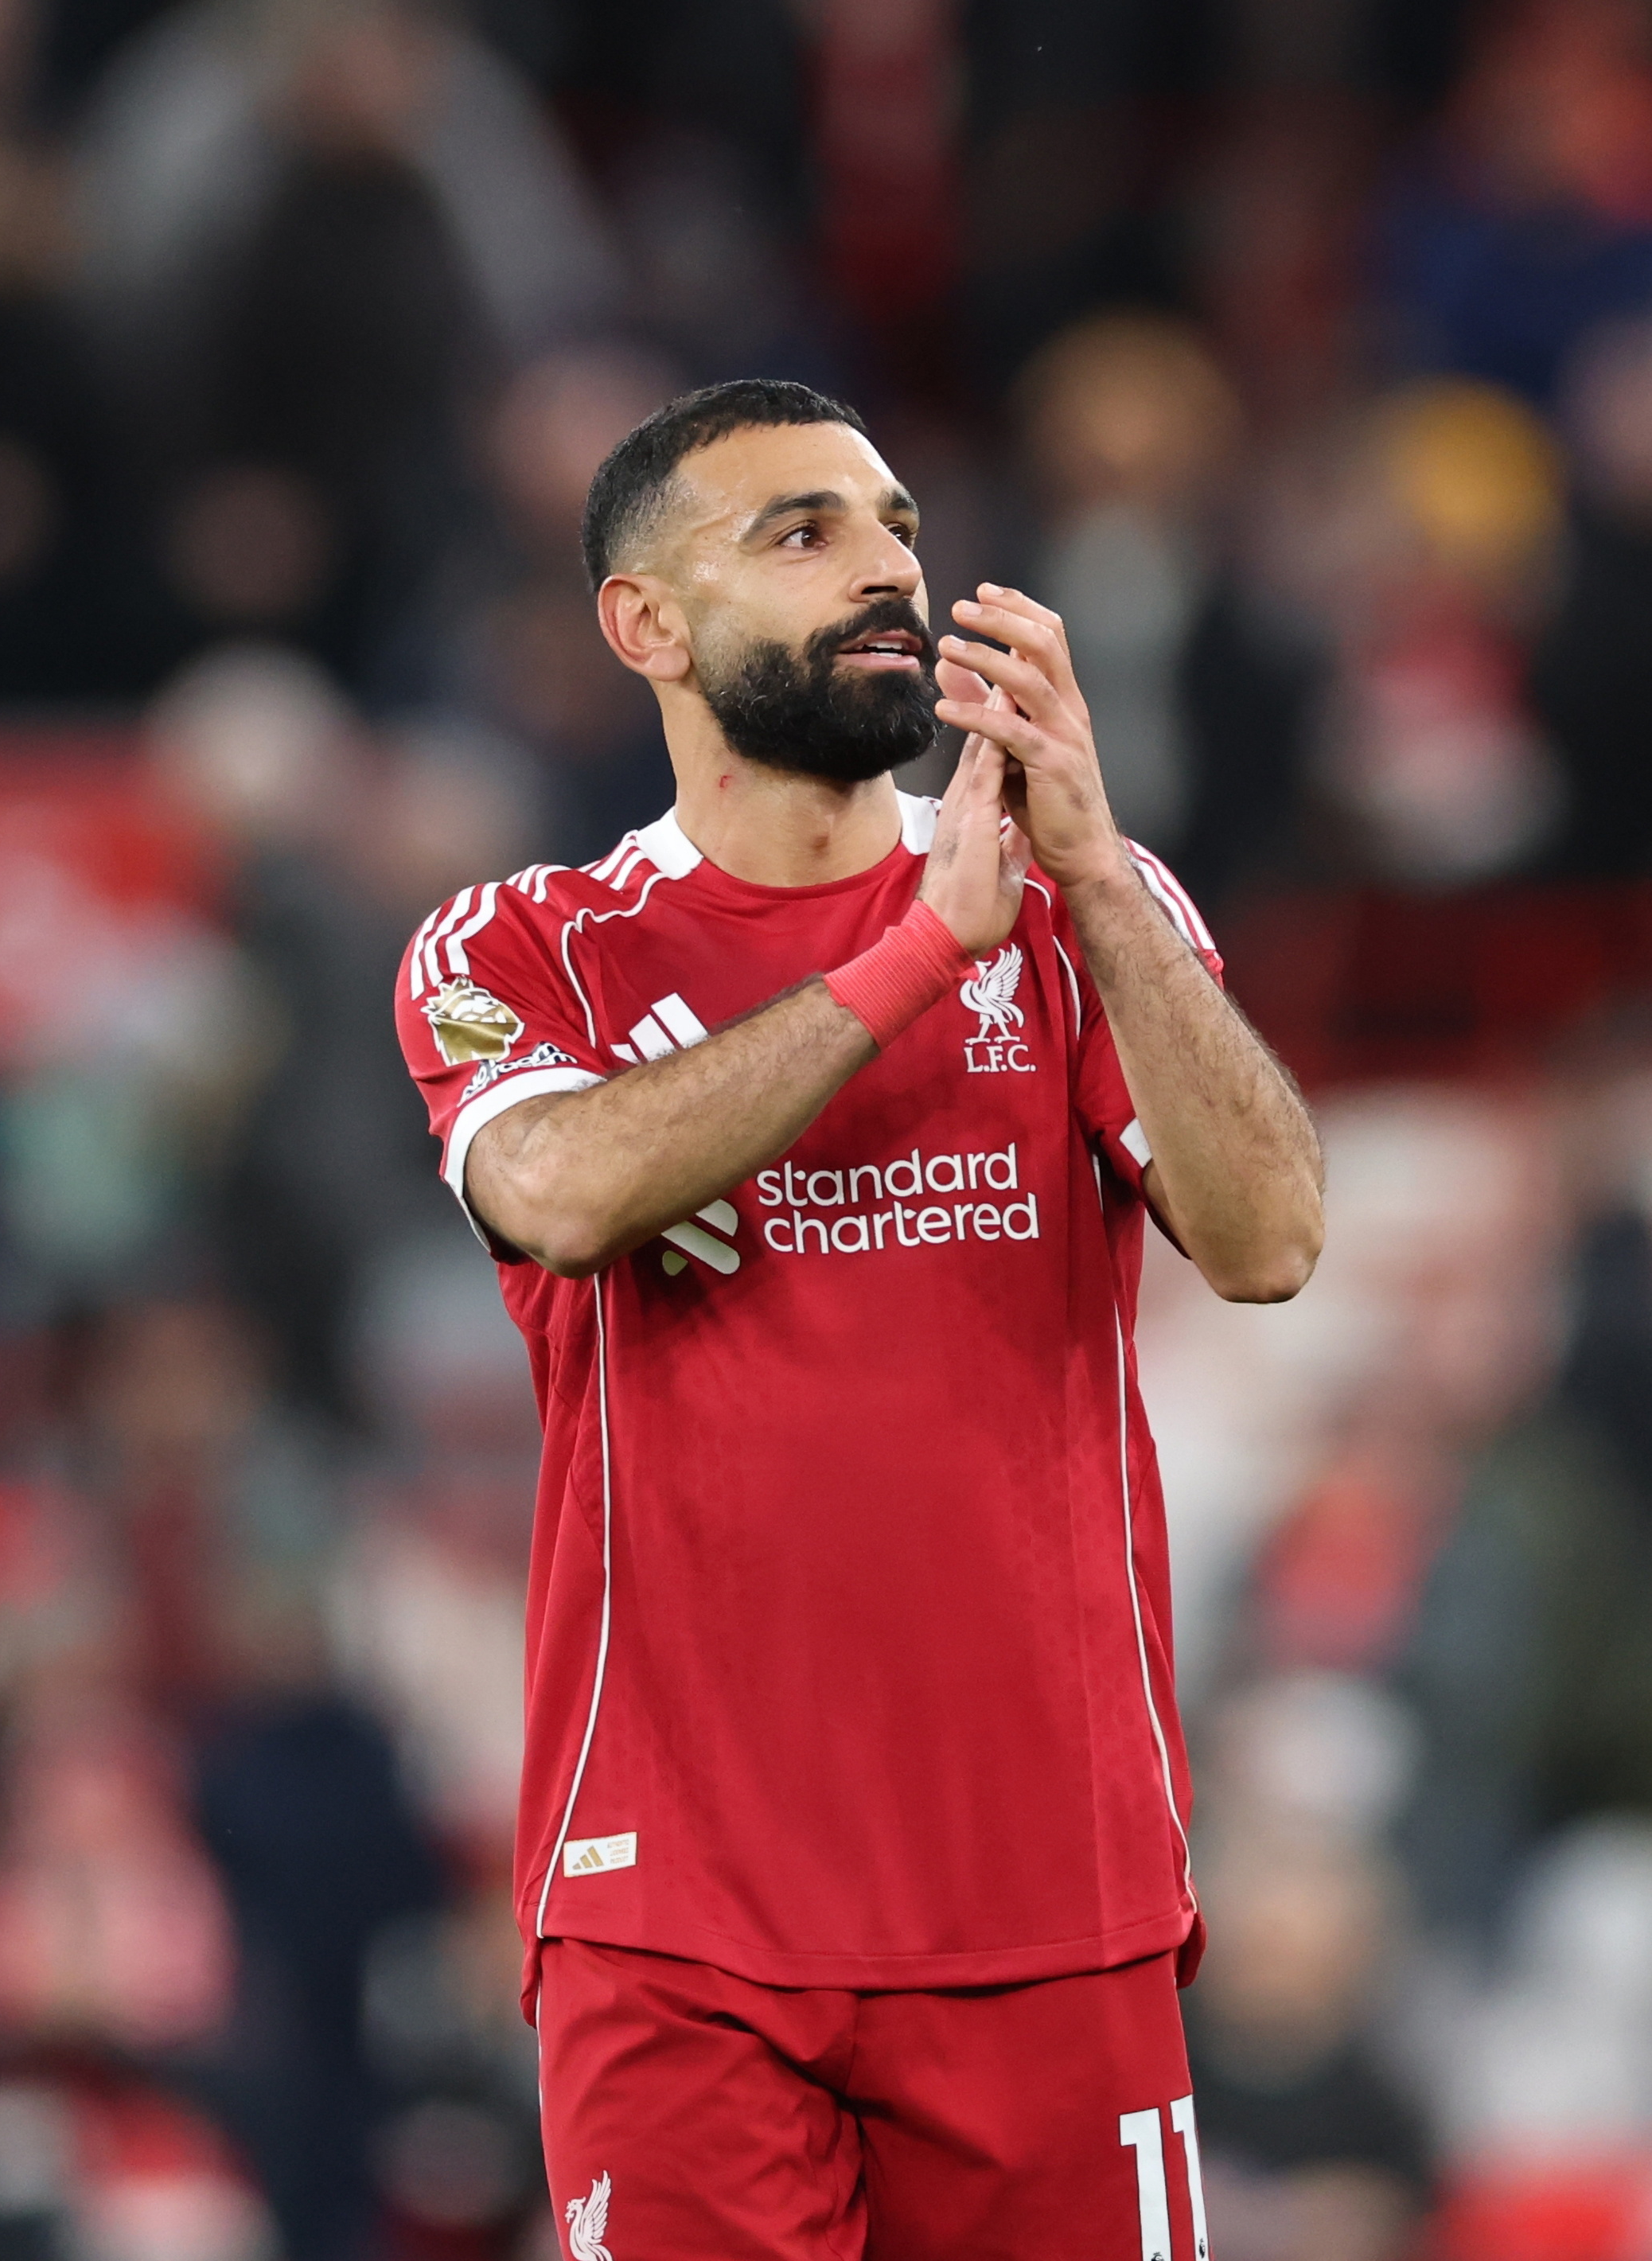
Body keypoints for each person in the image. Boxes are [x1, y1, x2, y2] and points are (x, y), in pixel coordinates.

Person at [384, 377, 1326, 2260]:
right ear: (645, 625)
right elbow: (560, 1192)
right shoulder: (525, 942)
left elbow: (1272, 1234)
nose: (887, 568)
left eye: (895, 523)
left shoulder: (1087, 911)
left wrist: (1091, 884)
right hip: (679, 1925)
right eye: (801, 533)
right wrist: (917, 959)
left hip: (1055, 1898)